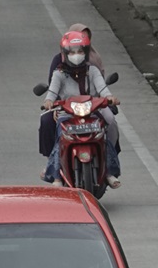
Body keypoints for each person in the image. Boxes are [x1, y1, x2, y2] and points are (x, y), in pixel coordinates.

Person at [42, 30, 121, 187]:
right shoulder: (59, 73)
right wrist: (49, 102)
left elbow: (103, 89)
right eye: (72, 52)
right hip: (67, 113)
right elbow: (51, 93)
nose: (76, 55)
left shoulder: (92, 71)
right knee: (60, 138)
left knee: (106, 130)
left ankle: (109, 172)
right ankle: (57, 176)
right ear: (65, 53)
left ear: (85, 53)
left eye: (79, 51)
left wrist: (110, 98)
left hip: (93, 110)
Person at [41, 23, 105, 157]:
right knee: (47, 122)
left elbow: (101, 85)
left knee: (110, 123)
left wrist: (107, 98)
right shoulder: (59, 66)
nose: (77, 54)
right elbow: (53, 88)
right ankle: (52, 161)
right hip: (66, 106)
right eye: (72, 51)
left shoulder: (93, 63)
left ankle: (110, 162)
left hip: (92, 105)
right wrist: (52, 102)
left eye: (82, 50)